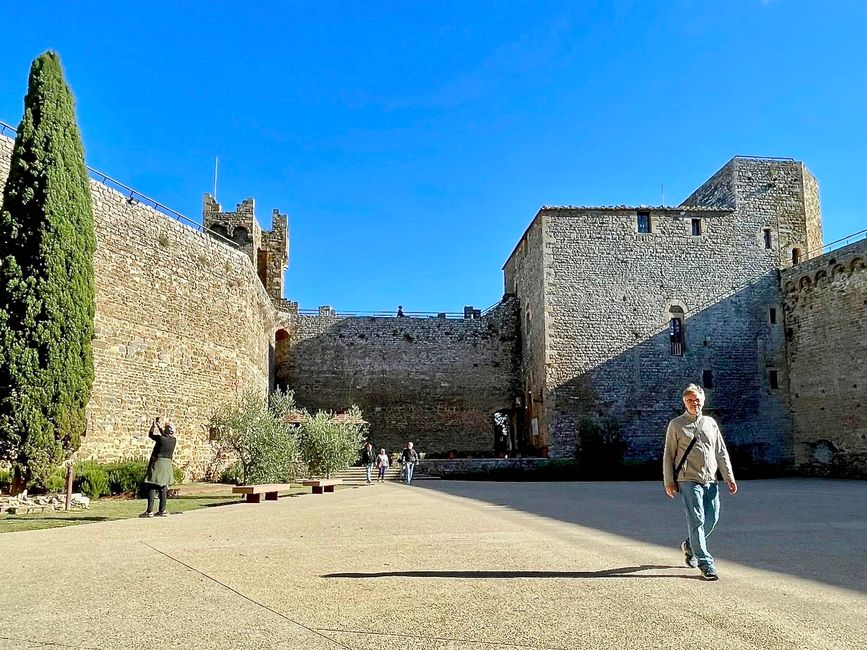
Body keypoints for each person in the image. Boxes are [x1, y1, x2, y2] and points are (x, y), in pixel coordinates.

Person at [663, 384, 737, 581]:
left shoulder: (710, 423)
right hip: (688, 479)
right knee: (697, 519)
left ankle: (689, 545)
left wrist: (728, 477)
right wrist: (669, 481)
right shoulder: (676, 425)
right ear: (684, 403)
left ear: (703, 401)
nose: (694, 403)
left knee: (712, 518)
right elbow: (669, 454)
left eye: (697, 400)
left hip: (710, 479)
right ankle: (706, 563)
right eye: (689, 400)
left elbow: (720, 452)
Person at [140, 417, 177, 518]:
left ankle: (149, 511)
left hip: (158, 463)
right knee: (163, 487)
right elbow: (165, 435)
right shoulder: (173, 440)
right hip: (167, 464)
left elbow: (151, 435)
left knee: (152, 485)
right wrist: (160, 427)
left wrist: (153, 426)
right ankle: (162, 510)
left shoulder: (161, 439)